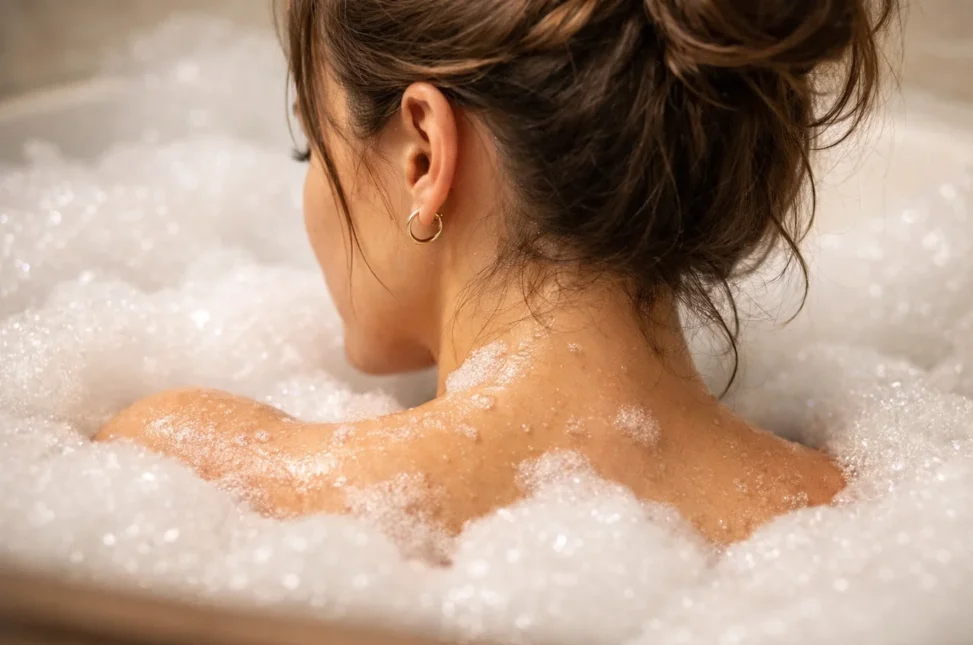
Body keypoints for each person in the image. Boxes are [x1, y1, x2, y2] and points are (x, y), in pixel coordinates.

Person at [96, 0, 896, 544]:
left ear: (423, 154)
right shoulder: (861, 518)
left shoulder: (202, 480)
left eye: (315, 145)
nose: (313, 190)